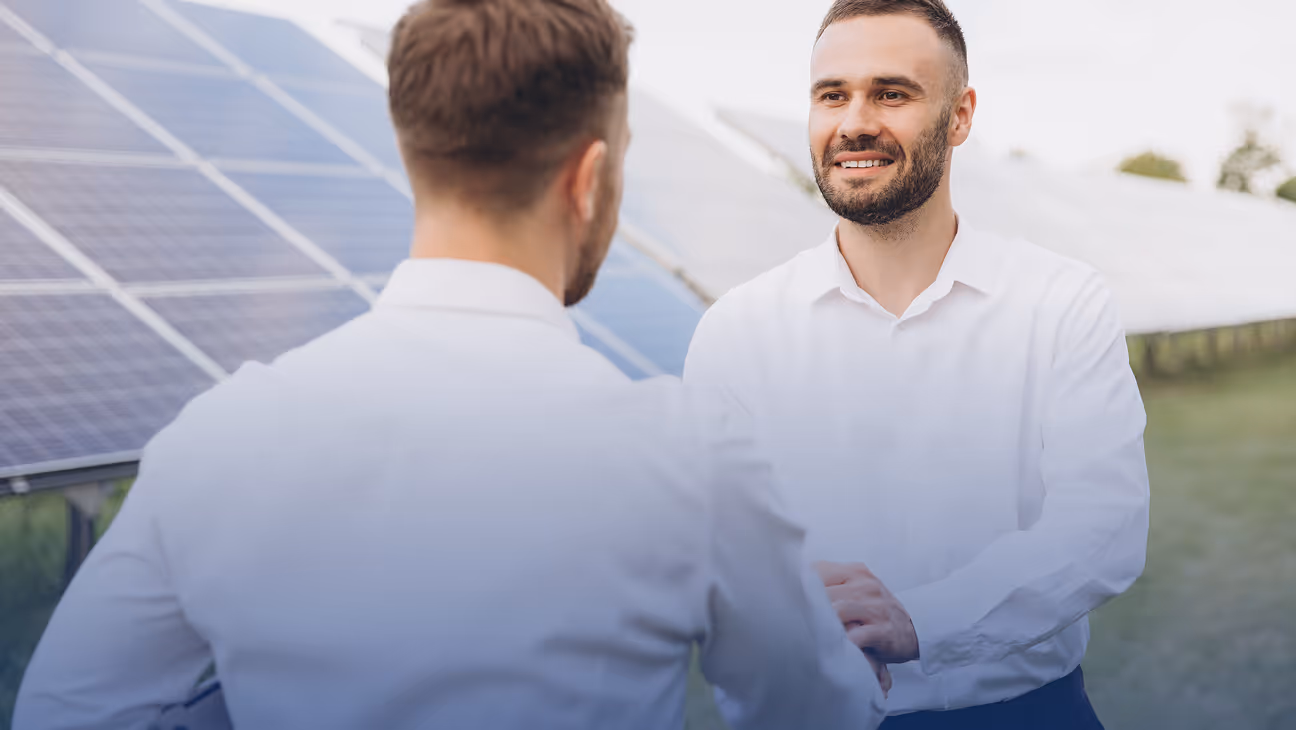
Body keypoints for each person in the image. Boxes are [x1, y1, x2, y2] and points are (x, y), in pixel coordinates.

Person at [13, 1, 887, 728]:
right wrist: (811, 623)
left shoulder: (217, 443)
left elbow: (65, 714)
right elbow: (816, 714)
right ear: (588, 179)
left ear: (413, 151)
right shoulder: (692, 459)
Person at [683, 1, 1151, 727]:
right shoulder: (735, 332)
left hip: (1023, 714)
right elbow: (712, 557)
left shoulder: (1061, 302)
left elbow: (1105, 525)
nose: (855, 121)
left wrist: (923, 620)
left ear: (960, 116)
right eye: (831, 94)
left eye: (891, 92)